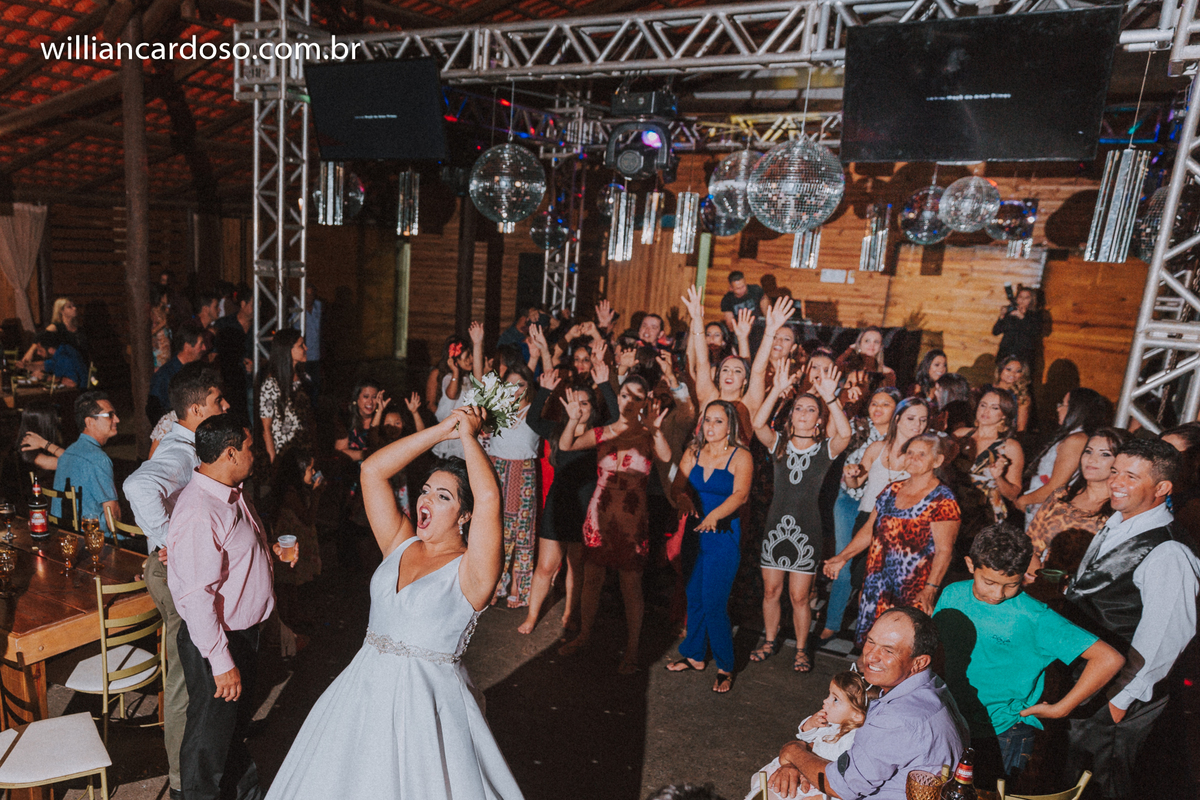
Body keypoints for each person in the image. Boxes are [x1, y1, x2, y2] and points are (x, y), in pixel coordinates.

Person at [264, 405, 525, 799]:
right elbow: (372, 470)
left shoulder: (472, 573)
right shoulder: (400, 541)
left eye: (443, 496)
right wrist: (442, 430)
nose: (427, 500)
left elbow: (489, 497)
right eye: (425, 491)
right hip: (360, 696)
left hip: (425, 711)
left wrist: (468, 437)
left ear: (465, 515)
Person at [1061, 437, 1200, 800]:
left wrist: (1122, 700)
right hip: (1089, 682)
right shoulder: (1121, 521)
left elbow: (1165, 637)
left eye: (1131, 477)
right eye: (1115, 472)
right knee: (1076, 778)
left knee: (1102, 784)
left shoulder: (1169, 551)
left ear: (1162, 488)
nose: (1116, 482)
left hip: (1117, 694)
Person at [934, 523, 1125, 787]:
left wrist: (1062, 708)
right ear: (970, 565)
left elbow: (1109, 658)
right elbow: (939, 650)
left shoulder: (1035, 616)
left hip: (1003, 731)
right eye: (989, 582)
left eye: (1011, 585)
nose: (998, 594)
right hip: (949, 720)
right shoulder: (952, 594)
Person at [169, 414, 294, 800]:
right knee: (208, 740)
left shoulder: (233, 493)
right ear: (229, 452)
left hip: (242, 635)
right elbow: (196, 596)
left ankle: (244, 793)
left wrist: (267, 553)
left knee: (229, 731)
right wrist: (221, 662)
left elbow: (231, 559)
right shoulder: (200, 511)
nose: (255, 454)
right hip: (218, 641)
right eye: (250, 447)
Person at [123, 364, 228, 800]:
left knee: (191, 671)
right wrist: (173, 541)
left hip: (171, 568)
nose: (226, 406)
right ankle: (184, 781)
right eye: (219, 401)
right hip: (174, 571)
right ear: (198, 407)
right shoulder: (181, 452)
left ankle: (195, 767)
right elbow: (137, 484)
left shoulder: (185, 443)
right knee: (186, 676)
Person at [768, 608, 967, 800]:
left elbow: (842, 786)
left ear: (919, 662)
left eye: (888, 650)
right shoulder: (933, 686)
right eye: (870, 641)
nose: (871, 656)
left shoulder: (898, 717)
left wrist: (794, 751)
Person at [557, 375, 672, 674]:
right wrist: (572, 420)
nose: (629, 400)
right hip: (600, 512)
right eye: (625, 394)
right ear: (618, 398)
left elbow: (667, 457)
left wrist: (656, 431)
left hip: (632, 518)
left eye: (637, 395)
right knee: (592, 577)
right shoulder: (603, 431)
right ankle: (583, 635)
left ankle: (632, 651)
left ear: (645, 401)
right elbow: (566, 444)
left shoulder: (649, 433)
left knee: (630, 585)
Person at [749, 358, 851, 672]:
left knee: (799, 597)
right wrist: (777, 391)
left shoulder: (824, 450)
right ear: (791, 416)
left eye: (810, 409)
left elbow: (845, 435)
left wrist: (831, 398)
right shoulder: (778, 444)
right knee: (770, 590)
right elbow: (757, 424)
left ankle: (802, 648)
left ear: (819, 420)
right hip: (775, 527)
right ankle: (769, 641)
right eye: (798, 408)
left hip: (807, 530)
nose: (803, 413)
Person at [825, 433, 961, 644]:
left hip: (912, 589)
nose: (913, 458)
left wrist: (930, 589)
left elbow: (945, 550)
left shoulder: (943, 499)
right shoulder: (891, 490)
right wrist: (842, 557)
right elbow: (870, 530)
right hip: (876, 584)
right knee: (870, 643)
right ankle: (864, 675)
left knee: (900, 648)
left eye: (922, 454)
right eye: (909, 453)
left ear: (938, 460)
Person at [519, 364, 619, 635]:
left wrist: (606, 385)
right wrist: (545, 391)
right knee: (546, 566)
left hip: (586, 506)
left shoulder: (599, 433)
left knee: (577, 567)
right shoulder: (556, 429)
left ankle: (568, 614)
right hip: (559, 502)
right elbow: (531, 420)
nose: (580, 407)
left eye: (585, 402)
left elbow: (618, 418)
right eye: (574, 402)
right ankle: (531, 616)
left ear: (592, 406)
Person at [665, 400, 753, 693]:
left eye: (718, 421)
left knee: (715, 603)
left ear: (730, 426)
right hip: (695, 534)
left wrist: (715, 515)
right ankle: (695, 655)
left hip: (723, 535)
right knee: (695, 597)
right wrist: (683, 498)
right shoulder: (693, 452)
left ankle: (726, 666)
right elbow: (676, 487)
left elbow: (740, 495)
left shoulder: (741, 456)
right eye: (707, 421)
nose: (711, 427)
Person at [822, 387, 901, 644]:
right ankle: (832, 623)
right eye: (874, 403)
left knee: (874, 574)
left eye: (885, 405)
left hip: (881, 512)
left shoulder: (903, 437)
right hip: (848, 502)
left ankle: (871, 632)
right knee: (843, 563)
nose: (877, 409)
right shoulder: (857, 427)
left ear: (897, 410)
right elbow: (831, 435)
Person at [747, 671, 877, 800]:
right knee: (766, 789)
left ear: (857, 716)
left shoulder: (852, 740)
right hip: (801, 765)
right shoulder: (831, 723)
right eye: (829, 694)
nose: (825, 700)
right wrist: (811, 723)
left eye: (835, 699)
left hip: (817, 782)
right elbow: (804, 736)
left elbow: (842, 778)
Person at [1026, 427, 1127, 572]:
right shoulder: (1062, 495)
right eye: (1088, 451)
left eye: (1104, 454)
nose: (1092, 459)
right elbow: (1030, 543)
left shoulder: (1120, 510)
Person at [486, 363, 541, 608]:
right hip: (498, 470)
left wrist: (539, 352)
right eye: (510, 384)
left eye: (521, 384)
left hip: (524, 470)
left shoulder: (534, 409)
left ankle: (520, 587)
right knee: (498, 529)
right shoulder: (497, 408)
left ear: (528, 386)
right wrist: (478, 344)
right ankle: (496, 584)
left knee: (523, 530)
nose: (515, 389)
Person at [1016, 388, 1111, 526]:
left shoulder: (1076, 440)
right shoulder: (1073, 436)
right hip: (1043, 508)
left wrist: (1023, 500)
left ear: (1077, 409)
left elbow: (1056, 487)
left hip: (1050, 514)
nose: (1058, 409)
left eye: (1064, 404)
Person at [950, 389, 1025, 546]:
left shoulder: (1010, 446)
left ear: (1004, 414)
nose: (986, 411)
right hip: (954, 509)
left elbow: (1012, 494)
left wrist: (998, 477)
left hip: (987, 516)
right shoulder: (959, 435)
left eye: (994, 408)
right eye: (983, 405)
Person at [54, 391, 121, 535]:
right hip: (95, 540)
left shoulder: (68, 453)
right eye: (110, 415)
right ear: (89, 422)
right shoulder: (99, 459)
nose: (117, 419)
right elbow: (112, 518)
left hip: (64, 534)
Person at [258, 328, 312, 463]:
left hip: (304, 449)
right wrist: (273, 459)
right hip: (285, 454)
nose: (306, 348)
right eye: (301, 345)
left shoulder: (304, 377)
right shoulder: (271, 384)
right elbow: (266, 427)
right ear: (288, 350)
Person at [148, 321, 209, 423]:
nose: (204, 348)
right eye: (201, 344)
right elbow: (155, 410)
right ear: (187, 346)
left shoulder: (199, 370)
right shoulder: (164, 375)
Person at [333, 379, 386, 462]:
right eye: (366, 396)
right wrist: (364, 454)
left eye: (374, 397)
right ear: (357, 399)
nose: (370, 402)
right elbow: (340, 452)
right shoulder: (345, 420)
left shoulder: (384, 420)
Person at [21, 296, 86, 363]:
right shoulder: (56, 327)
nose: (74, 308)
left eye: (73, 306)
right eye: (70, 307)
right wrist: (30, 352)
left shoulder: (79, 328)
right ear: (61, 311)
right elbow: (39, 337)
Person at [992, 286, 1044, 366]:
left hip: (1023, 356)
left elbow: (1035, 332)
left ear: (1031, 300)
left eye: (1026, 297)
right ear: (1017, 298)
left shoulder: (1035, 315)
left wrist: (1022, 317)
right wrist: (1001, 317)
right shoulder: (1011, 312)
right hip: (1005, 354)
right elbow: (996, 332)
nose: (1022, 300)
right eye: (1020, 297)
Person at [992, 356, 1032, 434]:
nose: (1013, 373)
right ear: (1000, 369)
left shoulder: (1021, 396)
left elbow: (1021, 428)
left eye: (1018, 371)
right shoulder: (987, 389)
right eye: (1009, 369)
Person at [151, 286, 172, 370]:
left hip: (166, 349)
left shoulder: (163, 311)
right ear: (161, 297)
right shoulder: (152, 312)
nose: (168, 298)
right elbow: (149, 332)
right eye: (166, 296)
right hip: (158, 350)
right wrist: (162, 324)